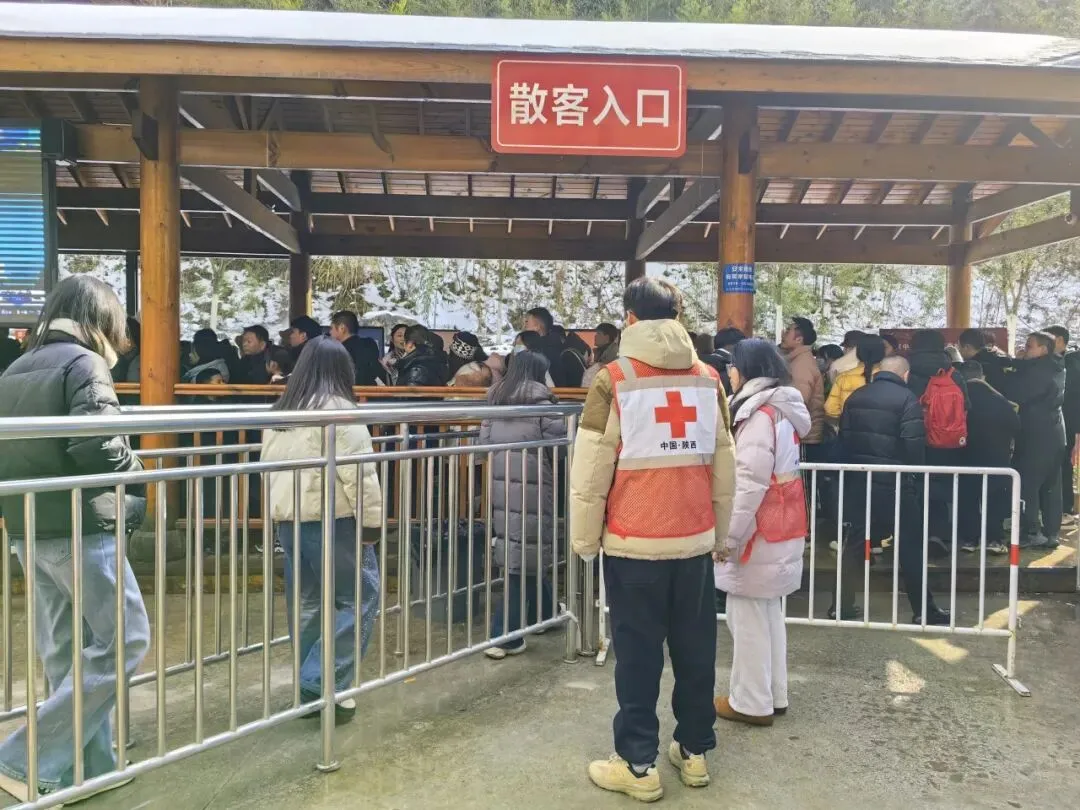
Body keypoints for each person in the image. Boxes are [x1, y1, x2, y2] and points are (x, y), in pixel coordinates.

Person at [571, 277, 735, 802]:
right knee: (696, 649)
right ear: (678, 316)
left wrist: (584, 539)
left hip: (633, 543)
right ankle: (695, 751)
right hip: (694, 541)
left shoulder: (614, 379)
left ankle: (638, 765)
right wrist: (721, 532)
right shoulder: (709, 379)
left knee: (638, 656)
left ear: (630, 318)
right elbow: (725, 463)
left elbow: (592, 468)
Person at [0, 276, 150, 801]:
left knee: (65, 653)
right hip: (81, 526)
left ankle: (83, 770)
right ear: (101, 318)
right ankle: (23, 759)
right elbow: (98, 446)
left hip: (29, 527)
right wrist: (138, 474)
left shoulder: (18, 367)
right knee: (125, 639)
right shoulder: (84, 364)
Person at [260, 336, 383, 722]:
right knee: (359, 597)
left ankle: (308, 687)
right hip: (334, 519)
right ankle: (322, 680)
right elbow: (360, 475)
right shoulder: (341, 411)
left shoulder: (283, 410)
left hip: (290, 520)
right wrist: (371, 525)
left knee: (308, 602)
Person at [714, 339, 810, 727]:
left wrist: (728, 538)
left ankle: (751, 702)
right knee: (767, 615)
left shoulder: (757, 415)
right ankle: (773, 694)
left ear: (746, 370)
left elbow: (748, 484)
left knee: (747, 619)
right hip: (782, 525)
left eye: (733, 366)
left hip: (757, 533)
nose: (729, 373)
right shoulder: (783, 410)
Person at [835, 355, 949, 625]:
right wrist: (915, 476)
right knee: (910, 545)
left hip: (861, 481)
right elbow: (913, 444)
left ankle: (840, 606)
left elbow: (844, 439)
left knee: (855, 543)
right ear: (905, 374)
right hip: (895, 483)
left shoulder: (856, 396)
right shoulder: (907, 399)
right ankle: (923, 610)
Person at [482, 351, 565, 659]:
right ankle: (505, 636)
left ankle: (545, 612)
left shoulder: (496, 400)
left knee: (521, 548)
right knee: (524, 554)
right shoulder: (543, 403)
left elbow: (484, 443)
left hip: (501, 484)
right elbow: (561, 446)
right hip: (534, 485)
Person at [998, 331, 1067, 548]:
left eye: (1029, 346)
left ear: (1043, 350)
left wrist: (1013, 367)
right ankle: (1052, 532)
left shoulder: (1038, 373)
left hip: (1036, 435)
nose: (1024, 350)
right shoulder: (1057, 367)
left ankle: (1031, 532)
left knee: (1028, 483)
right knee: (1051, 485)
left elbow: (1015, 391)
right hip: (1055, 432)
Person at [907, 329, 970, 551]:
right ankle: (938, 532)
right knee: (941, 484)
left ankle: (913, 534)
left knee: (912, 484)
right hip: (945, 439)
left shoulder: (907, 370)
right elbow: (966, 406)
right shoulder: (953, 372)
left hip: (913, 437)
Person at [955, 361, 1019, 555]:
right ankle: (994, 539)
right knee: (994, 498)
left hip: (966, 455)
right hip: (996, 458)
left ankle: (970, 539)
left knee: (968, 498)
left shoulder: (959, 398)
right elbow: (1016, 426)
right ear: (982, 376)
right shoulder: (999, 399)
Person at [1044, 325, 1080, 520]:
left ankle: (1065, 507)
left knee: (1064, 465)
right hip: (1050, 423)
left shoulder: (1072, 363)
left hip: (1068, 423)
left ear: (1058, 340)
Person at [780, 316, 826, 453]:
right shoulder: (798, 360)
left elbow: (798, 402)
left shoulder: (802, 364)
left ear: (799, 339)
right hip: (802, 434)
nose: (783, 334)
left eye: (788, 331)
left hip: (804, 437)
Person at [824, 334, 885, 424]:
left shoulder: (844, 378)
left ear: (858, 353)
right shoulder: (887, 377)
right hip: (882, 428)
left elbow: (831, 409)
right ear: (882, 353)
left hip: (849, 428)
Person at [330, 310, 387, 387]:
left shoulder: (338, 352)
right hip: (375, 392)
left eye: (332, 328)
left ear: (342, 328)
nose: (330, 332)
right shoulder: (370, 347)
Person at [523, 307, 566, 386]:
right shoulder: (553, 343)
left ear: (537, 327)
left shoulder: (539, 348)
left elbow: (514, 359)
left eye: (527, 322)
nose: (524, 326)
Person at [958, 328, 1008, 393]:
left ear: (967, 347)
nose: (959, 351)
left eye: (959, 347)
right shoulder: (995, 357)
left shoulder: (972, 367)